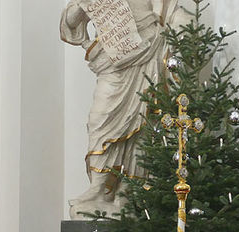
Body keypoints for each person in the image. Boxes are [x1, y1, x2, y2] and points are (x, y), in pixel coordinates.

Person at [60, 0, 185, 218]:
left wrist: (181, 26)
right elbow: (71, 21)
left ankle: (128, 194)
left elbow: (170, 10)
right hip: (113, 57)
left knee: (143, 122)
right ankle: (98, 189)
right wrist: (83, 5)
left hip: (149, 46)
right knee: (100, 120)